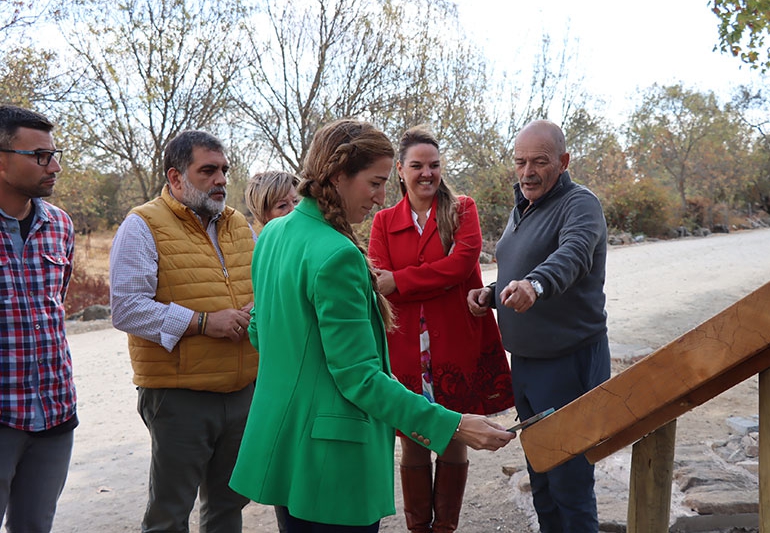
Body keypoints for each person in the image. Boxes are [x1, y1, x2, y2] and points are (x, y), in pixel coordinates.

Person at [229, 118, 515, 533]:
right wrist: (452, 424)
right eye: (375, 182)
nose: (382, 198)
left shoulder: (274, 233)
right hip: (329, 457)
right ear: (338, 175)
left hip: (283, 445)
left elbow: (262, 331)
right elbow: (360, 378)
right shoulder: (337, 254)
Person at [109, 130, 257, 533]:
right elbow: (127, 308)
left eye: (224, 170)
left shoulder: (238, 223)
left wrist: (257, 307)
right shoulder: (142, 224)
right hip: (179, 396)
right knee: (170, 515)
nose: (221, 180)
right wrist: (205, 323)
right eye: (208, 170)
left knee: (228, 508)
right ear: (176, 178)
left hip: (242, 392)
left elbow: (264, 284)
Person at [368, 126, 514, 533]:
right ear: (400, 170)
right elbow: (380, 280)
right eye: (417, 165)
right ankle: (419, 528)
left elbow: (460, 266)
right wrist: (407, 281)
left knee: (452, 438)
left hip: (455, 341)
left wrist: (402, 281)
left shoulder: (462, 209)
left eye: (434, 165)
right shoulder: (382, 221)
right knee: (413, 441)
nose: (426, 173)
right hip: (404, 346)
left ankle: (445, 527)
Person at [467, 120, 610, 532]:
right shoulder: (524, 207)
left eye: (540, 162)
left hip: (568, 364)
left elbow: (573, 255)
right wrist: (493, 293)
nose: (528, 171)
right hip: (527, 365)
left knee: (570, 483)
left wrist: (536, 284)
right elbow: (523, 265)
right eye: (520, 162)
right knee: (542, 479)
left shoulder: (580, 204)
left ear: (563, 162)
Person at [0, 105, 76, 532]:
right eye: (41, 156)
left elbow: (53, 308)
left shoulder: (60, 226)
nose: (55, 166)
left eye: (54, 153)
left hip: (55, 414)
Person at [244, 170, 300, 533]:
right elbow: (259, 331)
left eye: (298, 201)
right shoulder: (270, 252)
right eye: (283, 205)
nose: (294, 210)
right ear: (262, 217)